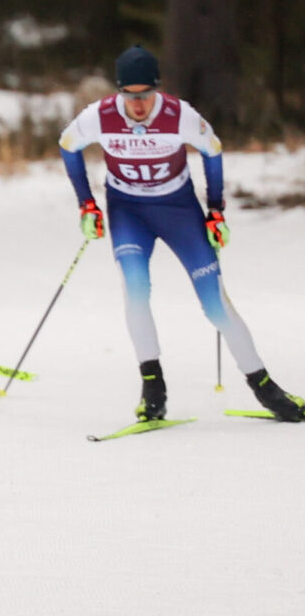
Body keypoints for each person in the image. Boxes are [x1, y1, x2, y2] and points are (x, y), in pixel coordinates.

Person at [60, 45, 300, 423]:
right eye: (130, 96)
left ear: (157, 89)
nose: (138, 106)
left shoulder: (179, 115)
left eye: (146, 95)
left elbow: (213, 150)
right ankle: (153, 389)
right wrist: (86, 203)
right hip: (129, 212)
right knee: (136, 290)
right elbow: (68, 146)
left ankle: (267, 389)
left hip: (179, 211)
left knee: (216, 305)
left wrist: (215, 211)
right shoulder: (99, 116)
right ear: (119, 91)